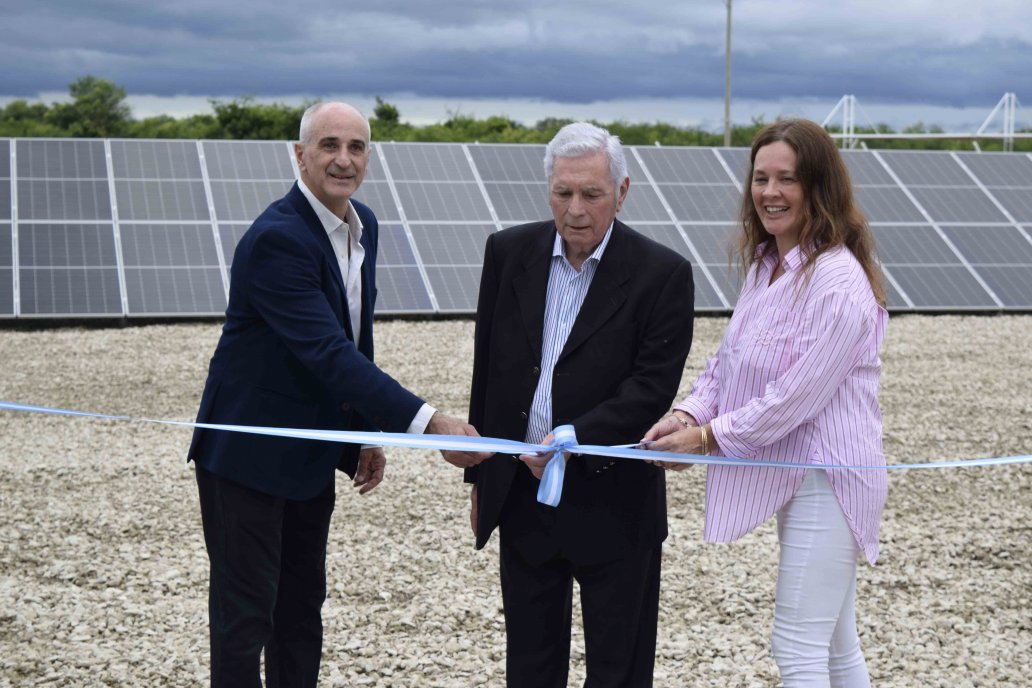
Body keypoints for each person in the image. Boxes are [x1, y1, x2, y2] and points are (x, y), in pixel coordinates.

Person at [187, 101, 489, 688]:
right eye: (328, 146)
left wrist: (362, 436)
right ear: (300, 156)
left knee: (301, 613)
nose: (343, 160)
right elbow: (326, 351)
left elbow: (354, 338)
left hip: (310, 454)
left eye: (355, 147)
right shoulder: (278, 239)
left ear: (369, 158)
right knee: (244, 620)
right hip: (245, 458)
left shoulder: (364, 224)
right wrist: (428, 424)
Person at [643, 118, 888, 687]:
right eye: (761, 178)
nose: (770, 193)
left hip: (829, 479)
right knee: (834, 643)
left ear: (819, 187)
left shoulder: (838, 282)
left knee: (798, 644)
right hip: (794, 475)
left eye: (788, 179)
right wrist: (686, 414)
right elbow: (729, 365)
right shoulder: (765, 264)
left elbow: (793, 399)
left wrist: (707, 439)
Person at [461, 122, 695, 687]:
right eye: (563, 192)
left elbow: (650, 388)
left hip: (616, 501)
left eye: (591, 193)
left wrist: (571, 438)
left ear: (622, 191)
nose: (576, 209)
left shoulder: (662, 274)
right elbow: (488, 368)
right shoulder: (507, 252)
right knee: (531, 668)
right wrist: (481, 480)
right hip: (521, 495)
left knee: (618, 671)